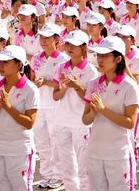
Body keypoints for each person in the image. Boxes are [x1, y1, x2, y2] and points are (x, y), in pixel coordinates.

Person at [82, 36, 139, 191]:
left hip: (118, 154)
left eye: (105, 56)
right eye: (98, 55)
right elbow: (85, 119)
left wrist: (103, 110)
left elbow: (130, 122)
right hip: (95, 151)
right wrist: (94, 113)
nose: (100, 60)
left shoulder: (130, 86)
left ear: (118, 59)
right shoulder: (94, 83)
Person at [53, 30, 99, 191]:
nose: (70, 48)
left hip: (81, 122)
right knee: (66, 162)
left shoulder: (91, 71)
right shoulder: (61, 67)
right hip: (62, 119)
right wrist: (64, 87)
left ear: (84, 48)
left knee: (84, 164)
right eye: (68, 44)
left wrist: (77, 86)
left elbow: (91, 99)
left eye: (74, 45)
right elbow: (56, 96)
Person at [0, 46, 38, 191]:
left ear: (19, 65)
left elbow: (29, 123)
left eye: (5, 62)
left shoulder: (30, 89)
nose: (0, 66)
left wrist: (7, 107)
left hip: (20, 150)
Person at [31, 23, 69, 189]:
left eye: (48, 38)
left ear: (56, 39)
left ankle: (59, 176)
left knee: (56, 141)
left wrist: (46, 82)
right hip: (39, 105)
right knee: (41, 142)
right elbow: (32, 78)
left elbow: (65, 84)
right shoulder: (36, 58)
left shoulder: (64, 60)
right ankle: (46, 175)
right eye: (42, 38)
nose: (44, 41)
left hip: (56, 105)